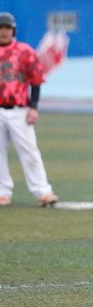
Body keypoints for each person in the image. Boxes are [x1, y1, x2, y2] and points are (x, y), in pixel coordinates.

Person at [0, 12, 57, 207]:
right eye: (1, 28)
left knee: (29, 151)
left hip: (19, 109)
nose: (4, 31)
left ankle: (43, 191)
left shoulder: (24, 51)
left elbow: (36, 80)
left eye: (7, 28)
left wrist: (34, 107)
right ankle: (2, 192)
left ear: (13, 30)